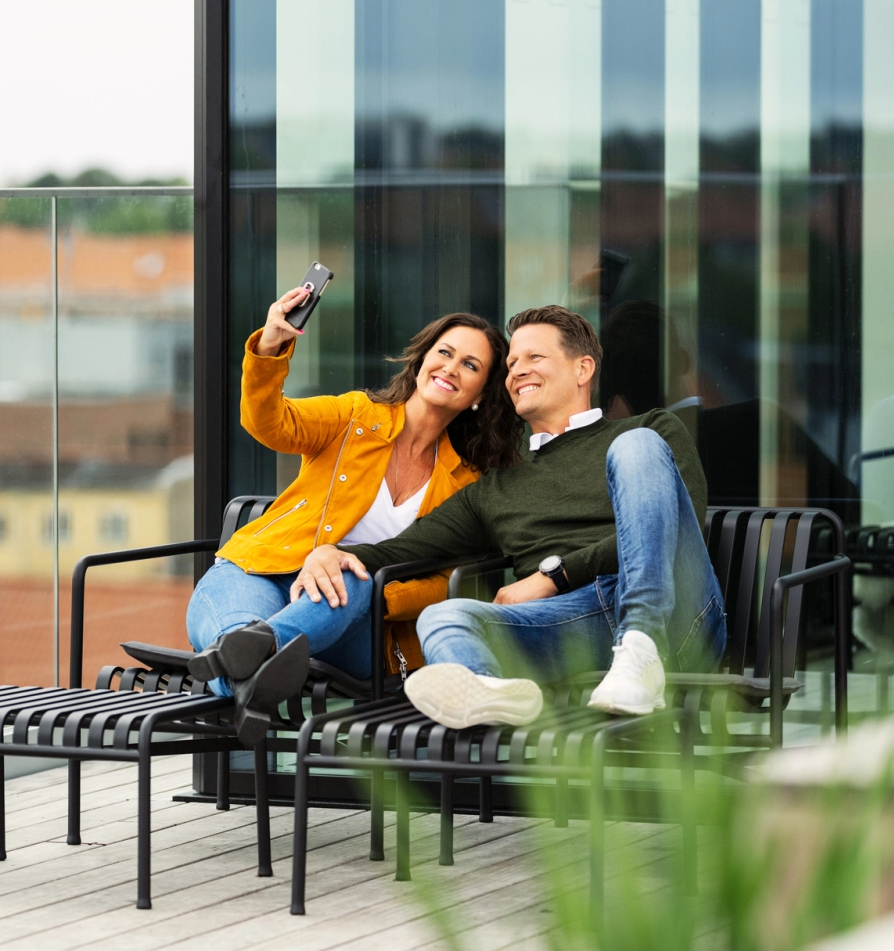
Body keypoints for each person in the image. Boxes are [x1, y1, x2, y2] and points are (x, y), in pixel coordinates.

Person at [292, 305, 727, 729]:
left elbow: (674, 525)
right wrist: (327, 553)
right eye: (512, 363)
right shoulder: (496, 488)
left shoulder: (649, 431)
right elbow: (403, 549)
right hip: (577, 626)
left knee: (637, 447)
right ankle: (490, 691)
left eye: (535, 357)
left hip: (677, 613)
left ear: (583, 369)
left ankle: (642, 645)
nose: (517, 370)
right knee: (444, 616)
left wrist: (553, 576)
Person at [185, 284, 522, 743]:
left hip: (357, 620)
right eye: (444, 352)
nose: (451, 367)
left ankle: (253, 652)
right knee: (237, 632)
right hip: (262, 571)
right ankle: (252, 674)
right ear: (422, 360)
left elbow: (446, 582)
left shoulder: (465, 482)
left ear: (481, 393)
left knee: (356, 574)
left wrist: (380, 591)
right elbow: (270, 422)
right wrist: (270, 346)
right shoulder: (355, 417)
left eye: (470, 365)